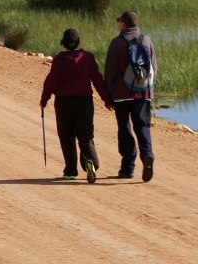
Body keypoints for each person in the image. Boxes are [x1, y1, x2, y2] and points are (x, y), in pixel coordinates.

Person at [40, 28, 112, 182]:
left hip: (63, 102)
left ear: (63, 43)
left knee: (66, 136)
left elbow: (51, 81)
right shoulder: (88, 58)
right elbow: (98, 80)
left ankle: (71, 170)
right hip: (84, 102)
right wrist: (107, 99)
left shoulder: (59, 60)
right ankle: (90, 162)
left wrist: (44, 99)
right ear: (78, 42)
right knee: (85, 135)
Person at [104, 11, 157, 182]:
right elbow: (153, 68)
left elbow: (110, 72)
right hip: (143, 93)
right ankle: (147, 154)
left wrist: (108, 96)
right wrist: (149, 89)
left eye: (119, 21)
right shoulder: (147, 40)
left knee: (125, 128)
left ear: (124, 24)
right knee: (143, 126)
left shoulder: (117, 43)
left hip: (121, 94)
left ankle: (128, 167)